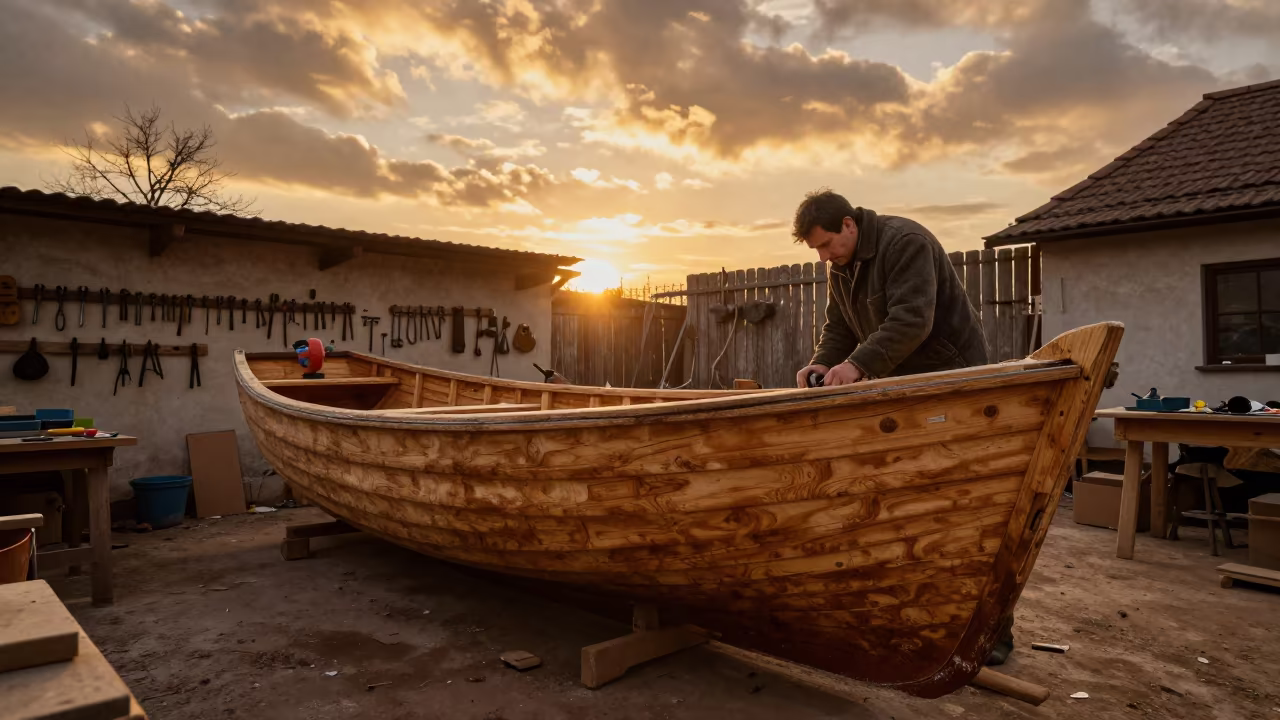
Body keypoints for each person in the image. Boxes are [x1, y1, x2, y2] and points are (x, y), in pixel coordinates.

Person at [792, 188, 989, 388]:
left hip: (954, 372)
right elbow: (839, 326)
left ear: (848, 224)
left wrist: (856, 365)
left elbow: (911, 321)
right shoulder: (839, 265)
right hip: (904, 379)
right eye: (816, 248)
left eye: (825, 244)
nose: (823, 257)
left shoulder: (906, 242)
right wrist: (822, 362)